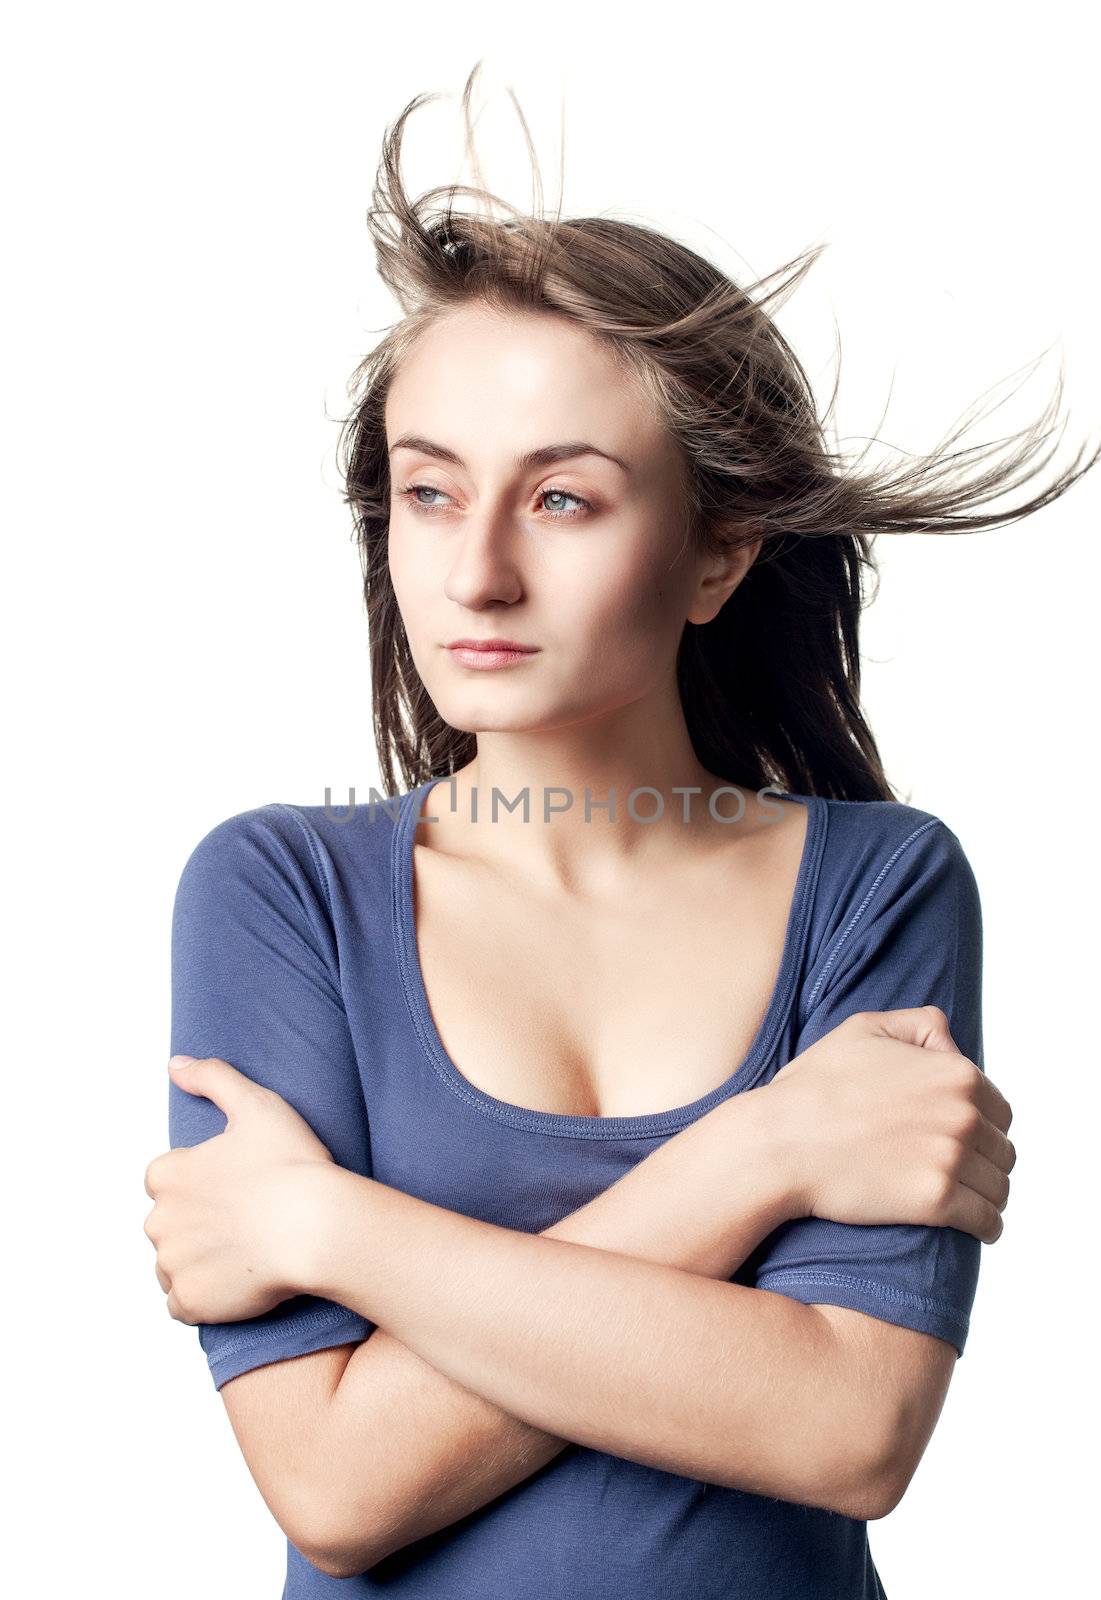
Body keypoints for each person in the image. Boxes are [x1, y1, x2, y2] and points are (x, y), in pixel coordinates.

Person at [144, 63, 1091, 1598]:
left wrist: (327, 1226)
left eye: (565, 501)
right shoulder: (279, 889)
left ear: (717, 552)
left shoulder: (875, 885)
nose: (476, 575)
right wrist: (767, 1151)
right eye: (430, 495)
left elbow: (849, 1427)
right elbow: (331, 1483)